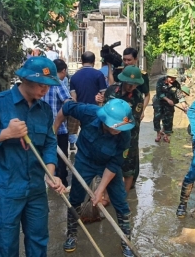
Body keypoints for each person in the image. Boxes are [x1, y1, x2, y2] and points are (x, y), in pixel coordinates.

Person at [0, 56, 66, 256]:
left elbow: (49, 142)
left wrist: (50, 172)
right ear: (25, 80)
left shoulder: (44, 110)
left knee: (38, 240)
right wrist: (5, 134)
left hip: (36, 190)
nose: (45, 90)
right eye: (41, 85)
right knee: (5, 244)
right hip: (6, 190)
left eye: (48, 86)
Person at [54, 99, 135, 257]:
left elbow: (115, 163)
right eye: (116, 126)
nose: (120, 129)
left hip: (108, 165)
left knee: (120, 201)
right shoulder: (89, 112)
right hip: (85, 160)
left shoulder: (125, 133)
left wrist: (100, 190)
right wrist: (54, 130)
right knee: (75, 198)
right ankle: (71, 234)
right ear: (105, 120)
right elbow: (67, 107)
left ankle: (126, 240)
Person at [96, 66, 144, 193]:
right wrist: (99, 101)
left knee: (128, 166)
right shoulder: (111, 90)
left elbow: (132, 119)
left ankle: (124, 195)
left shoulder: (138, 96)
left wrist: (116, 126)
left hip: (129, 135)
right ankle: (106, 195)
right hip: (109, 134)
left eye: (134, 84)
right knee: (108, 163)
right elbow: (104, 110)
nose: (131, 87)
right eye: (128, 83)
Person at [41, 59, 73, 187]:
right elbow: (68, 103)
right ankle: (61, 185)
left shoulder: (40, 83)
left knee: (46, 158)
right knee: (60, 161)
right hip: (58, 131)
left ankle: (52, 183)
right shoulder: (58, 83)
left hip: (42, 130)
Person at [108, 47, 150, 121]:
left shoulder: (142, 75)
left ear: (135, 59)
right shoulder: (118, 71)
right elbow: (111, 86)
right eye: (124, 59)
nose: (126, 62)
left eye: (129, 60)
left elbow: (147, 95)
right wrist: (109, 68)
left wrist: (142, 110)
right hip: (118, 109)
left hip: (133, 108)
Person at [153, 68, 189, 143]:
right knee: (157, 118)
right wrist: (167, 100)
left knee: (168, 119)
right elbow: (159, 93)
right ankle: (158, 134)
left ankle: (166, 135)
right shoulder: (161, 81)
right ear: (167, 76)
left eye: (174, 77)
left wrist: (184, 105)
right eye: (171, 77)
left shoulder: (176, 84)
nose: (172, 79)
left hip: (170, 104)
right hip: (159, 102)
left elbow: (179, 95)